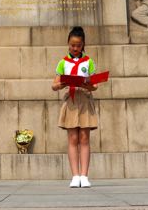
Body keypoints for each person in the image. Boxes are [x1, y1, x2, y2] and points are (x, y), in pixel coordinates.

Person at [52, 26, 98, 188]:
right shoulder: (63, 62)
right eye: (72, 45)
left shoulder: (89, 62)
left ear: (83, 44)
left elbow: (95, 86)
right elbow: (54, 85)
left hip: (84, 99)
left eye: (78, 45)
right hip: (70, 101)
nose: (75, 48)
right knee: (72, 138)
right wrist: (62, 83)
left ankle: (84, 175)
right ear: (68, 44)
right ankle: (75, 175)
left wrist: (88, 83)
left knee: (84, 138)